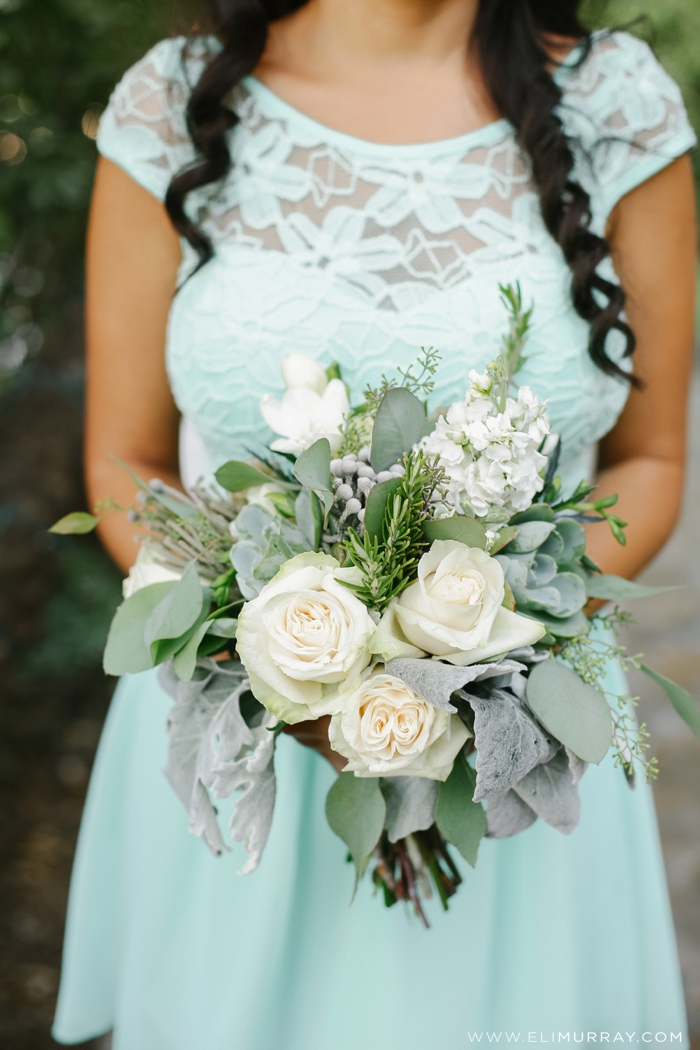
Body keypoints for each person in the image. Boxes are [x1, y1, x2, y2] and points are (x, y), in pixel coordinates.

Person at [53, 1, 697, 1047]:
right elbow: (122, 460)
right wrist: (282, 661)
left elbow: (652, 459)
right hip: (244, 743)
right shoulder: (172, 104)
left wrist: (484, 659)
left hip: (523, 750)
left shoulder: (615, 105)